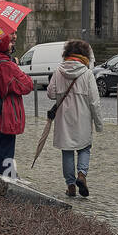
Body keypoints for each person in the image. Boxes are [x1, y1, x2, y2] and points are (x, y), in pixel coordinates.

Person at [46, 40, 104, 197]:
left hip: (64, 120)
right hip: (83, 119)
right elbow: (94, 102)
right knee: (84, 148)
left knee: (67, 151)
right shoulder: (87, 73)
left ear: (67, 54)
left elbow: (51, 94)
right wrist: (99, 124)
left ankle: (70, 185)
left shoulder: (59, 71)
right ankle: (82, 175)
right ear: (85, 55)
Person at [0, 33, 34, 177]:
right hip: (5, 115)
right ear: (1, 45)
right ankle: (7, 181)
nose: (12, 45)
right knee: (6, 152)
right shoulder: (7, 65)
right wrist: (15, 66)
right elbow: (26, 85)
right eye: (8, 42)